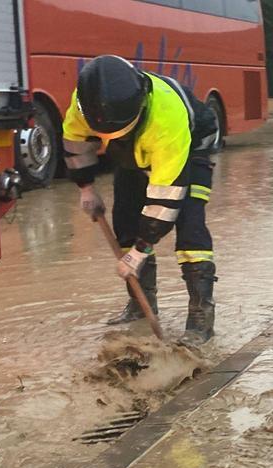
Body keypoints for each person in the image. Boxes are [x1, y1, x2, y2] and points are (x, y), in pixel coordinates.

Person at [61, 55, 220, 346]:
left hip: (192, 146)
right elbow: (75, 142)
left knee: (190, 226)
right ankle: (141, 306)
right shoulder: (87, 101)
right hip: (134, 151)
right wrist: (85, 187)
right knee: (125, 221)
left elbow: (164, 203)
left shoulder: (165, 120)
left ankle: (201, 321)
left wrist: (140, 252)